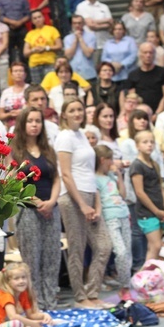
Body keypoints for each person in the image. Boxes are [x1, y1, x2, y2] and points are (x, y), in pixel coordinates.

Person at [55, 97, 112, 309]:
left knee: (104, 245)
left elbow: (90, 172)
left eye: (80, 109)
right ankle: (80, 297)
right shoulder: (65, 137)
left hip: (89, 194)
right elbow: (67, 174)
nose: (77, 113)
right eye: (72, 110)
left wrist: (96, 203)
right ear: (64, 114)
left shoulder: (82, 135)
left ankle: (93, 292)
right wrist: (82, 205)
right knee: (77, 249)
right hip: (72, 198)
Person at [10, 107, 60, 310]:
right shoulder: (16, 151)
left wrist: (51, 201)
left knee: (52, 258)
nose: (34, 125)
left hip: (51, 210)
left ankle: (51, 302)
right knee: (32, 260)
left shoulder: (48, 149)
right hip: (29, 210)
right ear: (22, 124)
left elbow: (57, 178)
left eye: (38, 121)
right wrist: (38, 202)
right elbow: (14, 182)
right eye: (30, 121)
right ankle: (35, 305)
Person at [94, 145, 131, 298]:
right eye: (111, 159)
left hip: (123, 214)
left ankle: (126, 285)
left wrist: (119, 176)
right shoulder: (95, 179)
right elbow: (98, 201)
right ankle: (125, 284)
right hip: (111, 218)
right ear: (103, 160)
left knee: (127, 252)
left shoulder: (111, 176)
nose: (113, 162)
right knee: (120, 252)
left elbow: (123, 194)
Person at [130, 130, 164, 261]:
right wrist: (156, 211)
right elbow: (140, 192)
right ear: (137, 145)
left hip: (159, 210)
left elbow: (161, 187)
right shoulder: (137, 165)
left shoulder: (155, 164)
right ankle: (143, 277)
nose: (149, 145)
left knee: (159, 248)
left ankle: (154, 276)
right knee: (155, 246)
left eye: (152, 142)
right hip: (147, 212)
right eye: (145, 142)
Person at [0, 262, 53, 327]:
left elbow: (31, 315)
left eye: (23, 277)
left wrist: (44, 315)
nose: (21, 281)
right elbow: (12, 316)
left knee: (36, 326)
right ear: (8, 282)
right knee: (17, 324)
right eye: (16, 279)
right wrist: (32, 323)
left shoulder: (23, 294)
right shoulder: (5, 295)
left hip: (5, 324)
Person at [124, 42, 164, 115]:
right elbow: (132, 98)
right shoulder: (133, 75)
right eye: (145, 52)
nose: (148, 55)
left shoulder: (163, 72)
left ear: (154, 55)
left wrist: (157, 114)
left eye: (150, 53)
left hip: (161, 113)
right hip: (140, 113)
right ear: (140, 54)